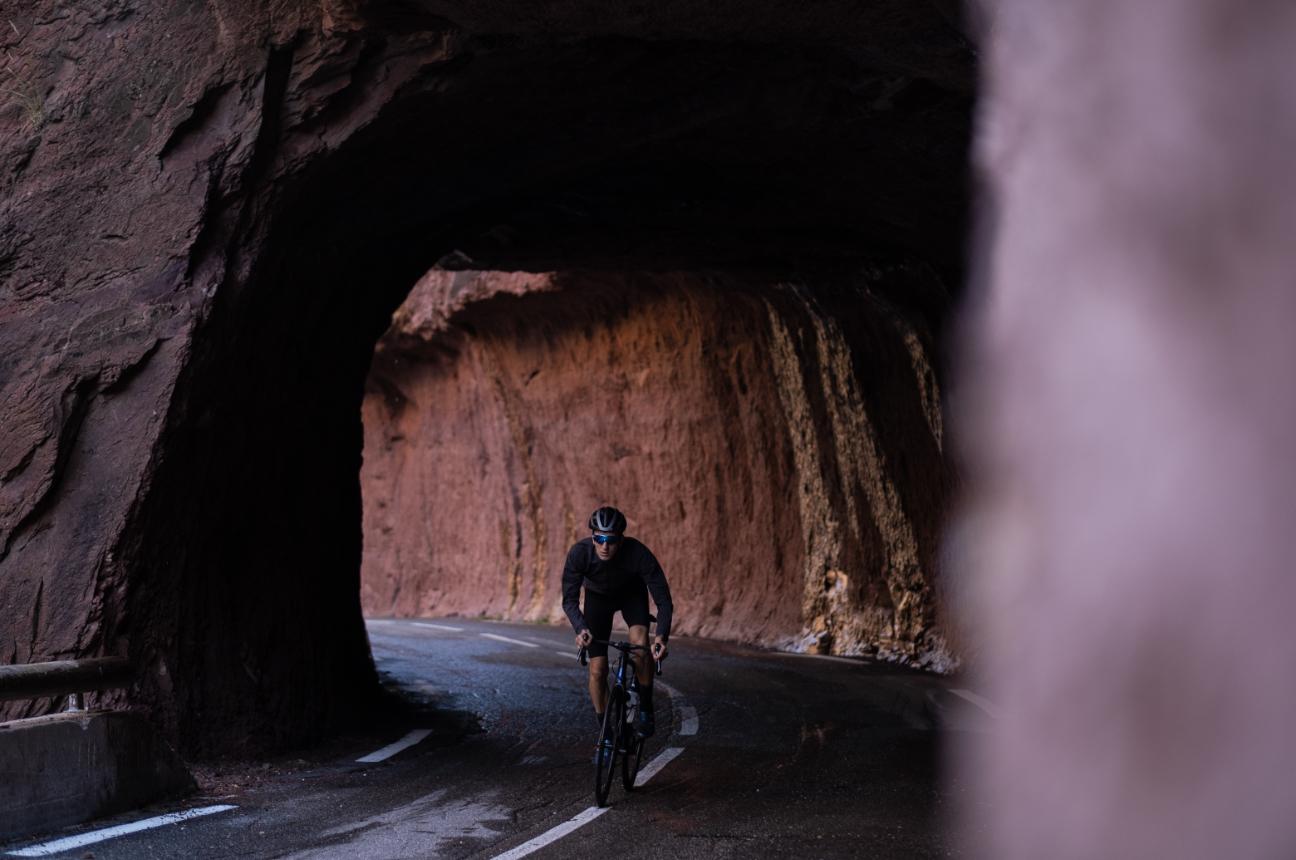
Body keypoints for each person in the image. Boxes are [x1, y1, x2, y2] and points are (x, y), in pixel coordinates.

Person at [563, 505, 673, 739]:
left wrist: (662, 637)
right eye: (599, 538)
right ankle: (606, 733)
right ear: (592, 537)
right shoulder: (579, 554)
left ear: (621, 539)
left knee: (640, 645)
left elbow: (663, 601)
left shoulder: (638, 553)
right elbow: (569, 600)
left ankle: (645, 706)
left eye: (611, 540)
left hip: (631, 594)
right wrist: (580, 628)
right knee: (597, 669)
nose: (605, 546)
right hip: (597, 599)